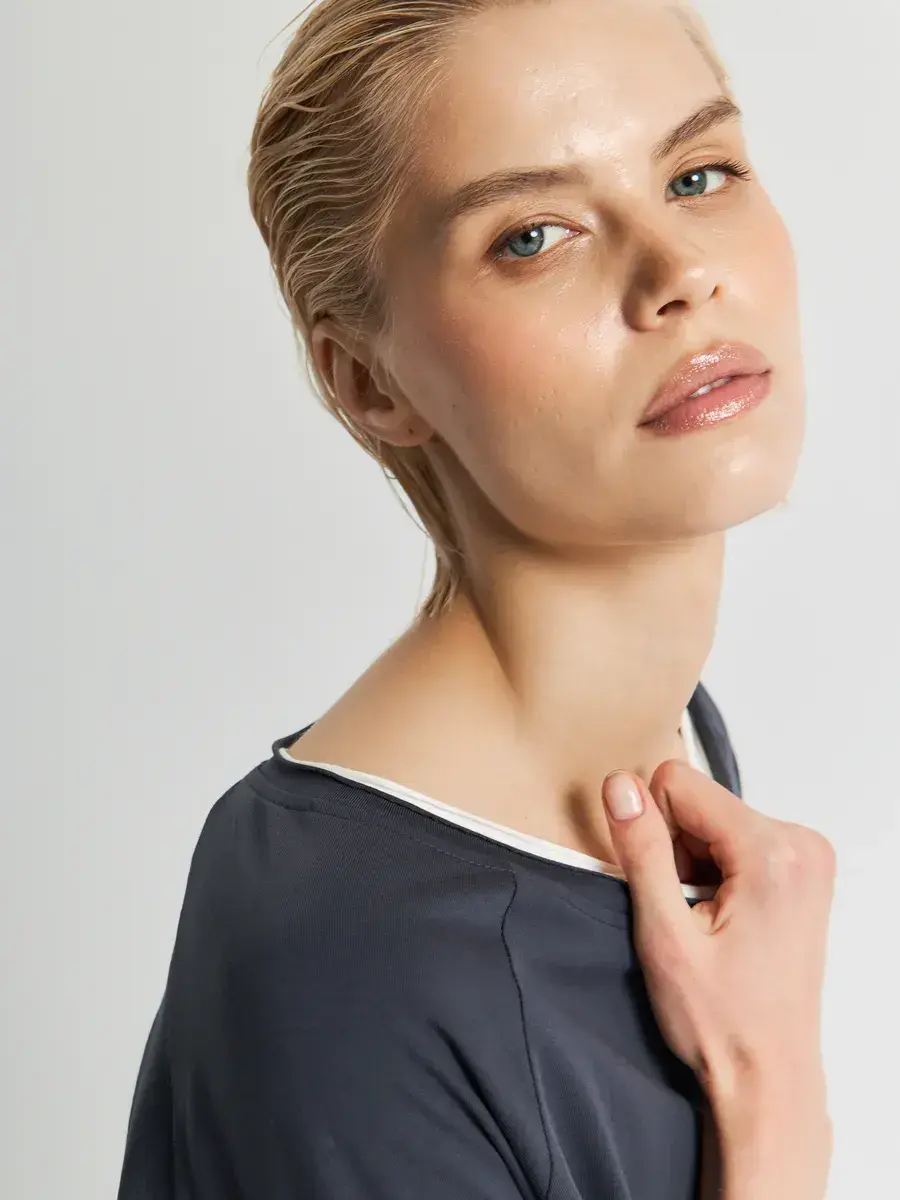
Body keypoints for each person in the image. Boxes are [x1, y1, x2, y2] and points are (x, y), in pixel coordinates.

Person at [116, 0, 836, 1196]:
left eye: (698, 175)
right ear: (370, 380)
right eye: (534, 237)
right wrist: (775, 1111)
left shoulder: (663, 737)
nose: (679, 274)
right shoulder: (348, 960)